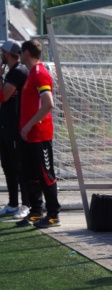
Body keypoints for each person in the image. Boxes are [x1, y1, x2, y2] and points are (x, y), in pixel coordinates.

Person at [15, 39, 61, 228]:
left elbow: (48, 104)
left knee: (45, 174)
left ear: (26, 53)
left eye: (20, 52)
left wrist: (29, 125)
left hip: (40, 135)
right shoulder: (31, 73)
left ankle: (53, 214)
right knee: (30, 174)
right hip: (29, 136)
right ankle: (36, 210)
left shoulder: (40, 73)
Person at [0, 40, 30, 219]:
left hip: (14, 126)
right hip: (5, 126)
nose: (1, 55)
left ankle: (26, 204)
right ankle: (12, 203)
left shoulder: (18, 71)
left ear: (9, 54)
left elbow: (3, 96)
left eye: (3, 52)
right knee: (7, 164)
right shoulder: (11, 72)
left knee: (19, 166)